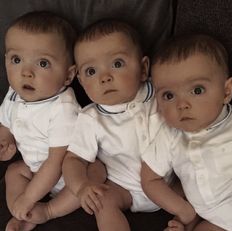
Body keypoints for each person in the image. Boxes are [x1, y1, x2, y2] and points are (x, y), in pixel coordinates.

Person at [62, 19, 174, 231]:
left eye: (117, 64)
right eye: (91, 71)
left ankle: (183, 221)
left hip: (169, 184)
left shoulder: (159, 93)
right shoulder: (91, 118)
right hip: (123, 189)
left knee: (200, 190)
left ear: (143, 69)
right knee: (102, 203)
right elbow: (73, 159)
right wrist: (81, 186)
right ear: (81, 81)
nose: (105, 77)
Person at [0, 11, 106, 231]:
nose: (26, 72)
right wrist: (5, 140)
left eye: (43, 63)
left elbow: (56, 162)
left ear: (68, 76)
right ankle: (23, 214)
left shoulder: (63, 107)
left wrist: (30, 196)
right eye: (16, 60)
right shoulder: (13, 94)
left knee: (97, 173)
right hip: (34, 167)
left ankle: (48, 211)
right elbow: (6, 123)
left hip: (67, 172)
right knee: (13, 172)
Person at [141, 34, 232, 231]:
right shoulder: (170, 135)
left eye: (197, 90)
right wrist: (183, 212)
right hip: (216, 221)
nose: (182, 105)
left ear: (226, 91)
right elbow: (149, 180)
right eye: (168, 95)